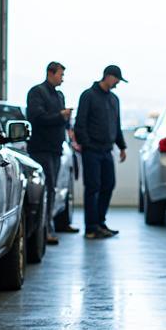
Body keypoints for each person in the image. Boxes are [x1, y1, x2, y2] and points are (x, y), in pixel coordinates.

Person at [25, 61, 78, 243]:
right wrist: (60, 115)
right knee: (46, 190)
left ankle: (49, 227)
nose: (62, 79)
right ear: (50, 72)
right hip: (42, 149)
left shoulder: (58, 95)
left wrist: (66, 122)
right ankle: (44, 231)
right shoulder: (37, 92)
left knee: (52, 189)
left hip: (55, 149)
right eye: (60, 75)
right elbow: (36, 117)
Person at [74, 65, 128, 239]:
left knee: (108, 185)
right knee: (93, 187)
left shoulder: (114, 99)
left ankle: (100, 222)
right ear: (109, 76)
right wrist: (86, 144)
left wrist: (122, 146)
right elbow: (80, 123)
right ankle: (91, 227)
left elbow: (116, 125)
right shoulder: (88, 96)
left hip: (107, 151)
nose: (118, 83)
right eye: (117, 79)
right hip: (92, 151)